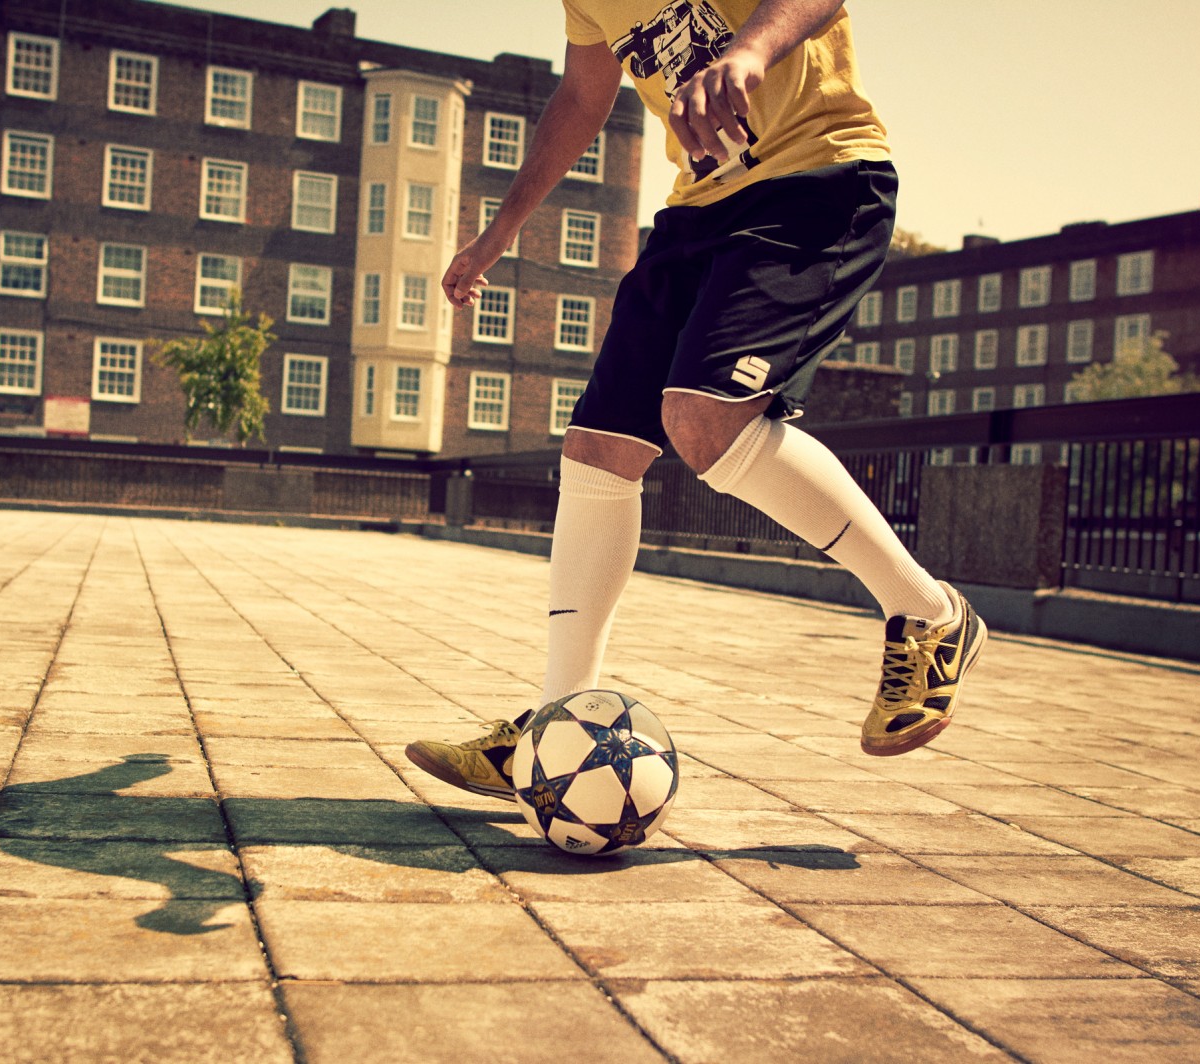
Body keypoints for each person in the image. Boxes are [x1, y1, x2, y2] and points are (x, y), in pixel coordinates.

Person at [405, 0, 986, 800]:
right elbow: (581, 97)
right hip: (696, 211)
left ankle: (927, 613)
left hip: (819, 181)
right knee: (598, 447)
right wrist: (501, 230)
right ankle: (557, 723)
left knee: (704, 417)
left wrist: (748, 53)